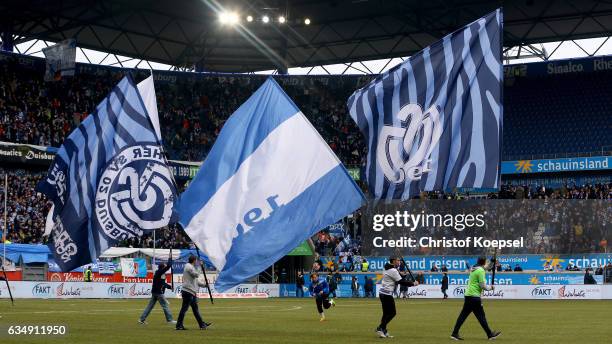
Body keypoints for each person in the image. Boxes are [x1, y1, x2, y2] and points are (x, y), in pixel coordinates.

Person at [450, 256, 501, 341]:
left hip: (469, 296)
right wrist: (490, 288)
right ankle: (490, 334)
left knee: (463, 315)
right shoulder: (480, 271)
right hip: (475, 297)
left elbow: (488, 267)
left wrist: (492, 261)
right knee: (481, 316)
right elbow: (482, 285)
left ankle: (454, 333)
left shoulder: (475, 267)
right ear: (484, 262)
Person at [376, 257, 418, 338]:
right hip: (387, 294)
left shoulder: (387, 267)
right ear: (394, 261)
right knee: (392, 313)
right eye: (398, 260)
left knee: (386, 313)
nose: (400, 262)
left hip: (383, 293)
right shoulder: (393, 270)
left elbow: (396, 274)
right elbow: (401, 282)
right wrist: (413, 284)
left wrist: (401, 274)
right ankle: (380, 328)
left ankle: (383, 330)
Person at [176, 255, 211, 330]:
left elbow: (195, 280)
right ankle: (179, 325)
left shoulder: (191, 267)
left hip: (191, 292)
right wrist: (200, 267)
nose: (197, 262)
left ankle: (202, 324)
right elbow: (197, 275)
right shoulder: (189, 267)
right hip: (188, 291)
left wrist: (204, 285)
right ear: (194, 260)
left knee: (195, 309)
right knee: (184, 309)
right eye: (196, 260)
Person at [139, 258, 175, 325]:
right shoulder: (160, 272)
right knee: (165, 306)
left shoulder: (159, 273)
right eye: (164, 267)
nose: (166, 270)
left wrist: (170, 287)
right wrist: (170, 258)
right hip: (158, 293)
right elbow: (168, 266)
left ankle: (142, 319)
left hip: (155, 292)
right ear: (162, 268)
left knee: (149, 307)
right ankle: (170, 320)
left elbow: (163, 284)